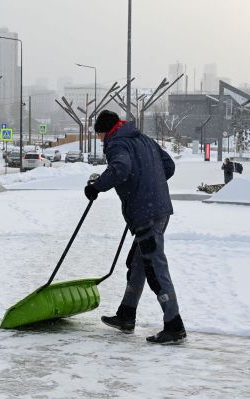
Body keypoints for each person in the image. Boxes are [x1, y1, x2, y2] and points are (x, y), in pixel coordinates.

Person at [84, 110, 186, 345]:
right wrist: (148, 183)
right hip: (159, 209)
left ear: (104, 130)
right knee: (139, 262)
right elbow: (168, 166)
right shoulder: (144, 139)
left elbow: (120, 168)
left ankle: (174, 325)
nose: (100, 139)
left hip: (145, 213)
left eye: (99, 135)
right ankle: (126, 315)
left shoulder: (116, 144)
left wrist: (96, 187)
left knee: (155, 268)